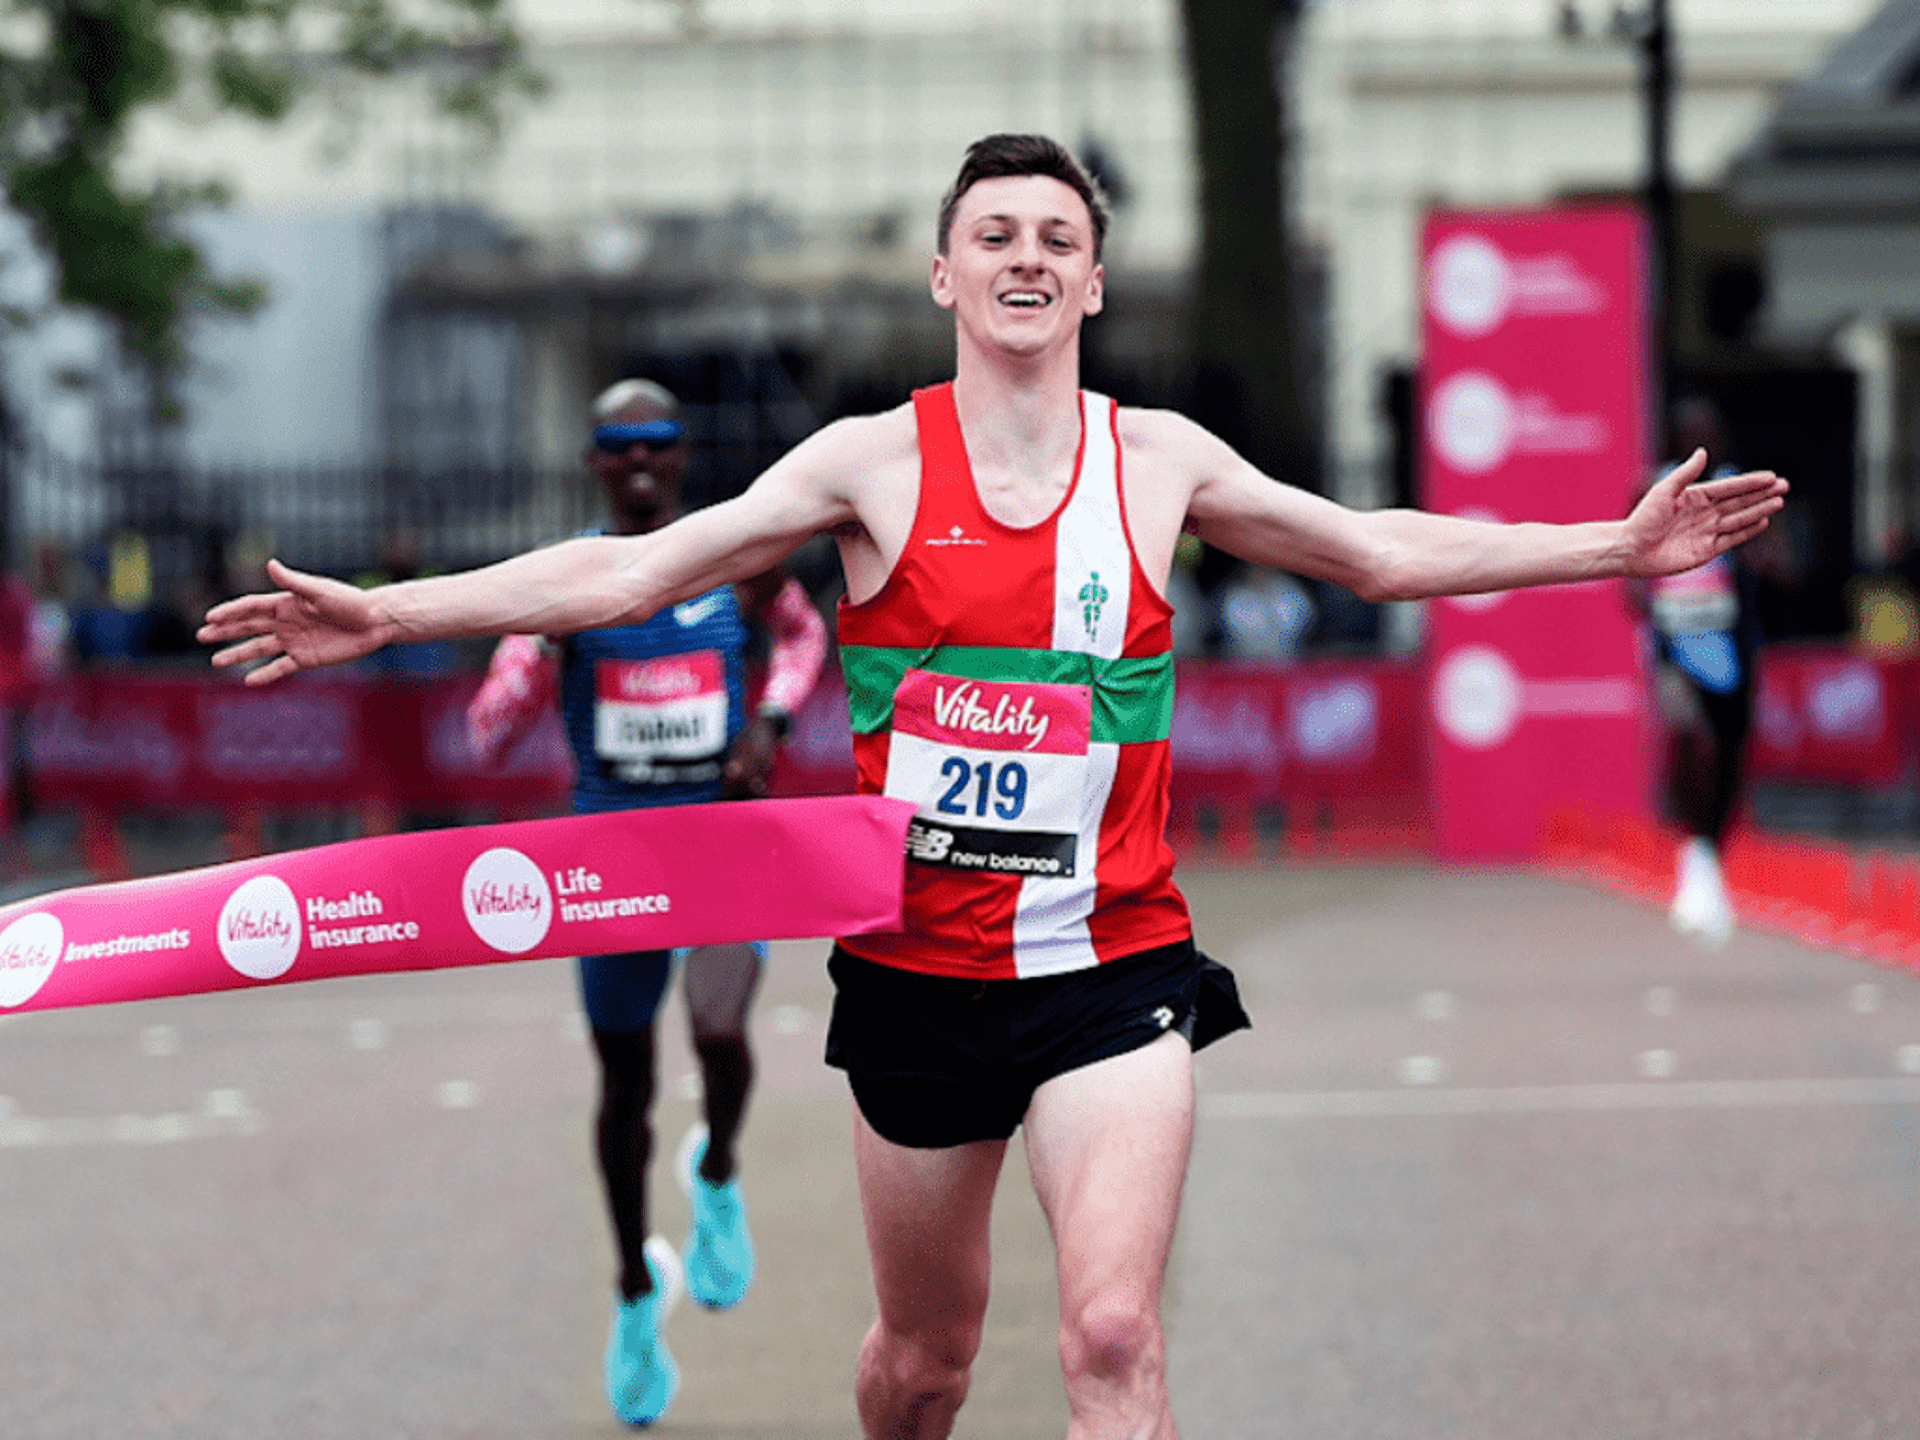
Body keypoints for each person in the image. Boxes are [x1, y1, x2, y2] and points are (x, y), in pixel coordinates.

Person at [201, 134, 1787, 1440]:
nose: (1026, 257)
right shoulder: (864, 468)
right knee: (923, 1367)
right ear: (946, 275)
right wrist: (391, 613)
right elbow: (631, 573)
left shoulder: (1158, 461)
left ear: (1092, 277)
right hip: (917, 981)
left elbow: (1376, 548)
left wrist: (1612, 545)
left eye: (1055, 235)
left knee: (1109, 1337)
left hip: (1117, 968)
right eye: (994, 234)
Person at [464, 377, 827, 1426]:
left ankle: (715, 1168)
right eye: (617, 443)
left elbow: (805, 642)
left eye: (657, 441)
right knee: (624, 1088)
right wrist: (539, 641)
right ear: (594, 463)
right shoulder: (567, 578)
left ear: (680, 457)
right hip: (610, 866)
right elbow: (488, 731)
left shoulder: (731, 562)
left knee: (720, 1032)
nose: (638, 459)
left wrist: (768, 722)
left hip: (717, 847)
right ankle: (633, 1291)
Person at [1643, 397, 1763, 947]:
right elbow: (1630, 580)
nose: (1699, 442)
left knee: (1732, 748)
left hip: (1731, 642)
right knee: (1689, 743)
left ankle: (1712, 848)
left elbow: (1769, 561)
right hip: (1678, 644)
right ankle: (1693, 848)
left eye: (1707, 432)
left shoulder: (1741, 491)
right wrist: (1664, 597)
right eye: (1688, 433)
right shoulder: (1653, 489)